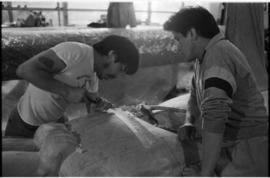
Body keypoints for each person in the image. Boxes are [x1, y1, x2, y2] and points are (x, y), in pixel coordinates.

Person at [164, 6, 268, 176]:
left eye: (178, 39)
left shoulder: (218, 55)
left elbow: (215, 118)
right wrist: (189, 121)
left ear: (191, 33)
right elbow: (194, 96)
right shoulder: (204, 57)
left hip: (249, 147)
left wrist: (204, 175)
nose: (177, 46)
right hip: (232, 143)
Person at [5, 35, 139, 138]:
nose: (118, 76)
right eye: (121, 69)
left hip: (52, 123)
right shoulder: (75, 52)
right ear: (112, 55)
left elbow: (92, 104)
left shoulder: (93, 76)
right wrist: (67, 91)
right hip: (24, 124)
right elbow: (25, 70)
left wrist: (101, 106)